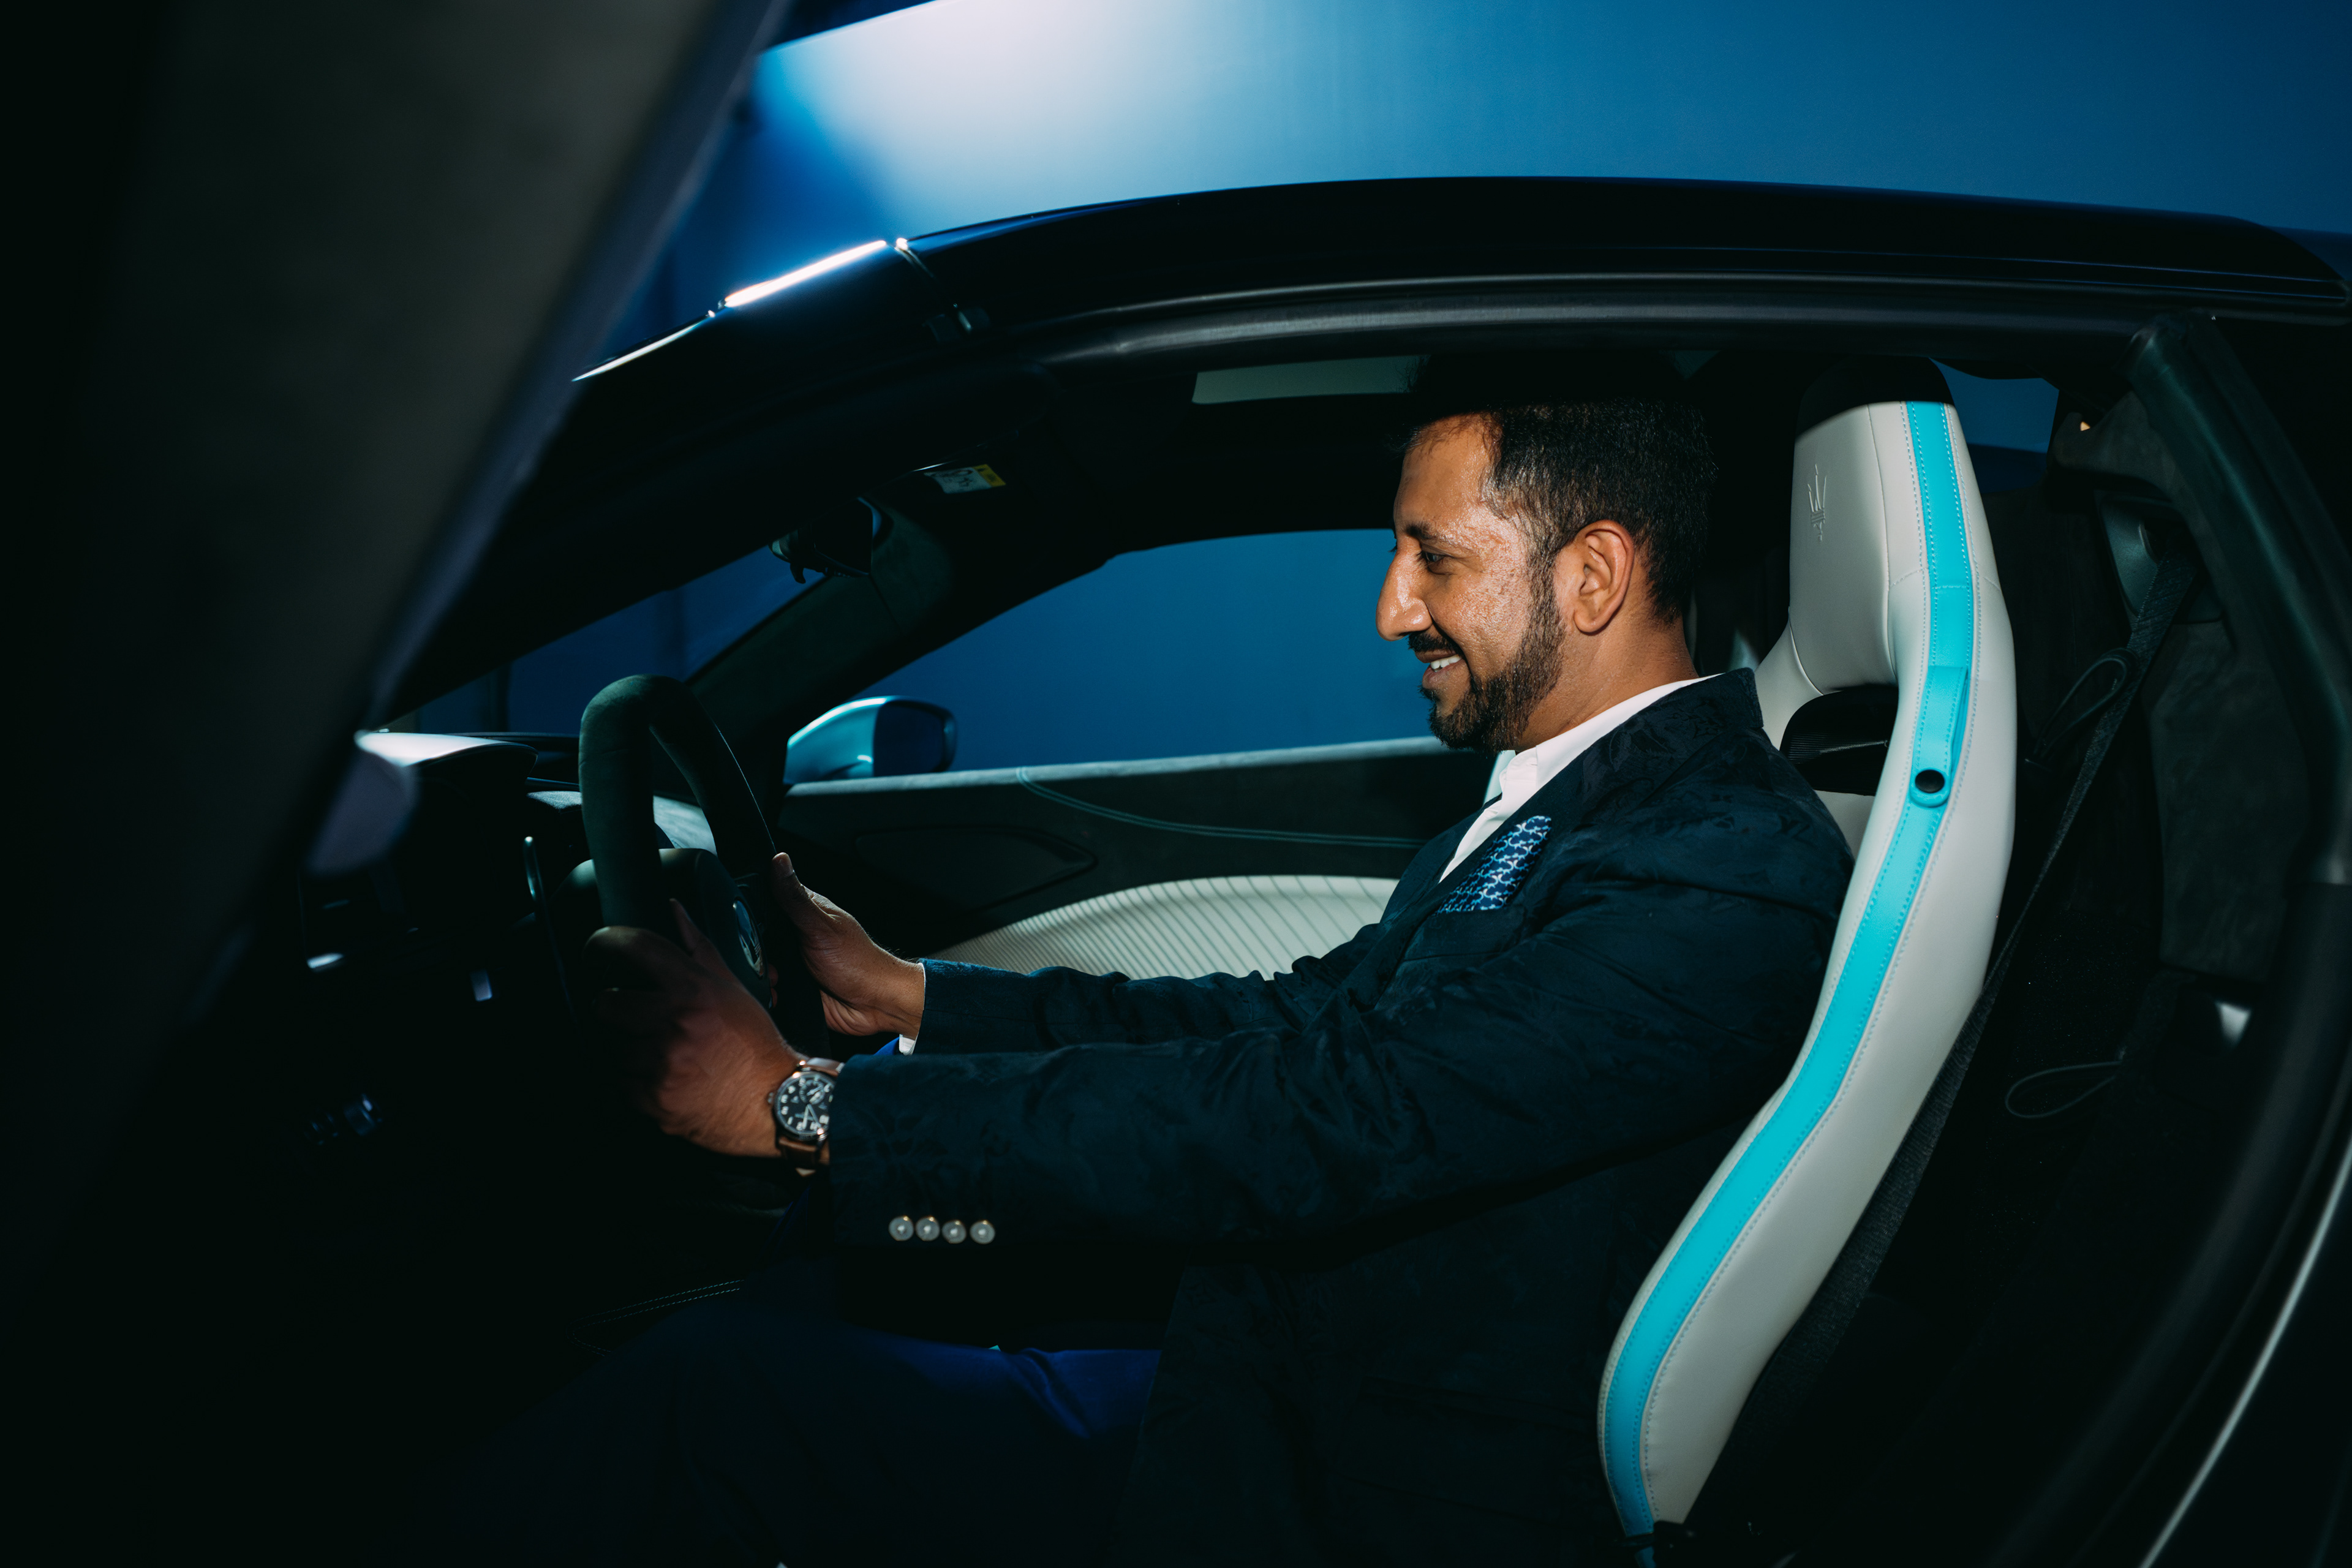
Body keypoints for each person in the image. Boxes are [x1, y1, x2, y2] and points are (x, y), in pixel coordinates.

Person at [399, 354, 1852, 1565]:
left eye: (1434, 554)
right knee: (822, 1284)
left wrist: (803, 1104)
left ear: (1593, 574)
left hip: (1349, 1466)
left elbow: (1329, 1111)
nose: (1390, 606)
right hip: (1292, 1342)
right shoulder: (1587, 802)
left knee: (706, 1398)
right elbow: (1298, 1023)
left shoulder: (1716, 857)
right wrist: (916, 996)